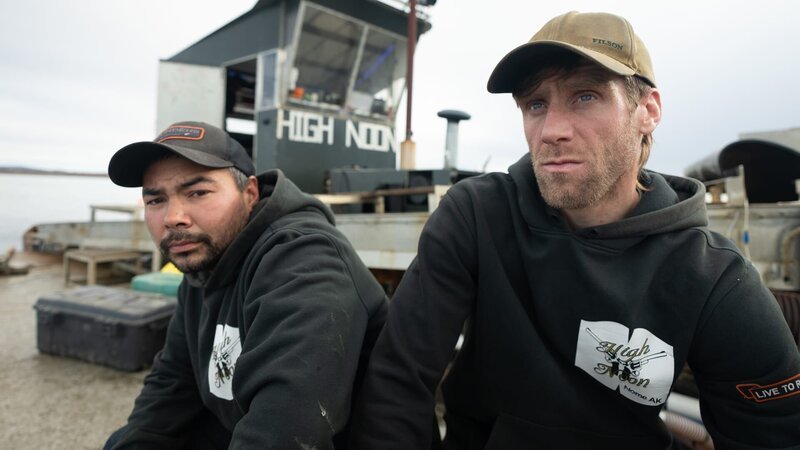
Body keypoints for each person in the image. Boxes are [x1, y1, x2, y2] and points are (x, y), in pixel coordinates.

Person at [349, 11, 800, 450]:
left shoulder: (712, 278)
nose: (551, 130)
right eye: (535, 104)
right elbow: (398, 380)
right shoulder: (476, 216)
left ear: (648, 110)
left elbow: (771, 431)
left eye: (585, 96)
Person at [104, 121, 388, 449]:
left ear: (249, 193)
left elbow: (287, 429)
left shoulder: (305, 262)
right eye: (156, 200)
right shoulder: (203, 264)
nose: (173, 217)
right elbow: (172, 384)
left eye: (197, 192)